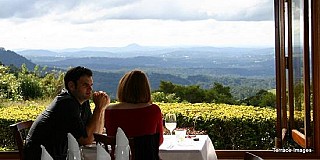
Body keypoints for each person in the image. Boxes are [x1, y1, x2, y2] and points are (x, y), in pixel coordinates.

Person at [24, 66, 110, 160]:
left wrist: (102, 108)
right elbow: (86, 140)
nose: (90, 89)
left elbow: (96, 133)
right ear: (71, 86)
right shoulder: (66, 104)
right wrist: (98, 108)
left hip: (61, 153)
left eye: (91, 85)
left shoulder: (82, 101)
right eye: (85, 85)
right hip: (43, 155)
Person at [105, 69, 164, 145]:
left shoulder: (109, 110)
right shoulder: (153, 110)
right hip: (145, 156)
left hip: (118, 156)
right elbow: (159, 141)